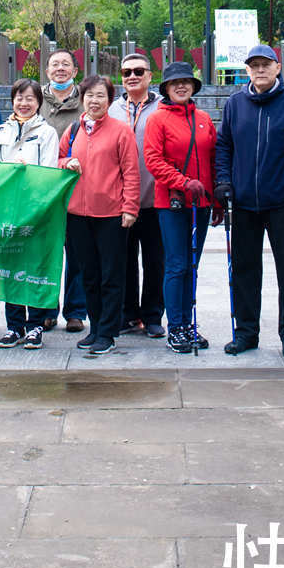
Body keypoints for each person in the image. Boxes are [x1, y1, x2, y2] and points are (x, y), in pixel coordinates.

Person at [214, 45, 284, 358]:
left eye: (265, 65)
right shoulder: (235, 104)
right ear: (247, 70)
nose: (259, 70)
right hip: (244, 201)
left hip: (282, 201)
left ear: (277, 68)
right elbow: (223, 147)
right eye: (254, 65)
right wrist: (223, 181)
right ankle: (246, 332)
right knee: (245, 269)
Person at [58, 75, 140, 357]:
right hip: (77, 214)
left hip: (111, 214)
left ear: (109, 100)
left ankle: (108, 331)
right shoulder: (73, 128)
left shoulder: (121, 131)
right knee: (89, 275)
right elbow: (58, 160)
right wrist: (67, 162)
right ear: (82, 98)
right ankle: (95, 328)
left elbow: (131, 171)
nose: (94, 101)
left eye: (100, 96)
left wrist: (130, 207)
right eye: (90, 95)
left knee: (111, 276)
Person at [142, 61, 219, 354]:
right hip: (171, 203)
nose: (181, 86)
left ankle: (188, 323)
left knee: (192, 266)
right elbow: (153, 160)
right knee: (176, 265)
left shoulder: (203, 118)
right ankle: (175, 326)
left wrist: (214, 199)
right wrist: (183, 182)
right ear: (166, 88)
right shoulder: (158, 120)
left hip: (201, 203)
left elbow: (212, 159)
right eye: (175, 83)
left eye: (186, 82)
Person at [0, 78, 61, 349]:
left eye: (30, 98)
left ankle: (36, 325)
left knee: (35, 268)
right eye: (19, 98)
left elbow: (49, 171)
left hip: (36, 211)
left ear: (39, 102)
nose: (24, 103)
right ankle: (14, 326)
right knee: (10, 269)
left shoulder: (47, 133)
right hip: (7, 211)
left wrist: (26, 172)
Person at [109, 53, 165, 339]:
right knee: (124, 261)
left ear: (150, 75)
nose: (132, 76)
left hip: (157, 199)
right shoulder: (111, 109)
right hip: (121, 201)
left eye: (138, 71)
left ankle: (153, 315)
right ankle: (128, 313)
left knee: (156, 261)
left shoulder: (163, 108)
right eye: (126, 71)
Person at [40, 48, 88, 333]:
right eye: (55, 64)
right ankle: (45, 308)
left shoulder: (85, 100)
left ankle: (75, 311)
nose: (60, 68)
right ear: (47, 71)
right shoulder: (37, 99)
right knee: (47, 251)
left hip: (77, 185)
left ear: (74, 70)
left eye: (65, 64)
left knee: (77, 251)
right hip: (43, 187)